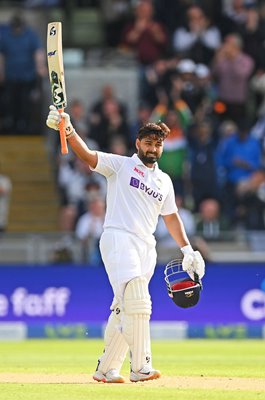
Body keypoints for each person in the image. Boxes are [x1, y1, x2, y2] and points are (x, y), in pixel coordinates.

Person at [46, 105, 205, 383]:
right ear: (137, 144)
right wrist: (68, 130)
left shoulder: (164, 181)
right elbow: (87, 156)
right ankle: (141, 366)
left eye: (158, 144)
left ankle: (106, 369)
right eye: (148, 143)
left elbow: (171, 217)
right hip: (119, 237)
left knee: (124, 307)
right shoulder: (121, 166)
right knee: (139, 301)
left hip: (146, 245)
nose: (153, 148)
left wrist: (187, 249)